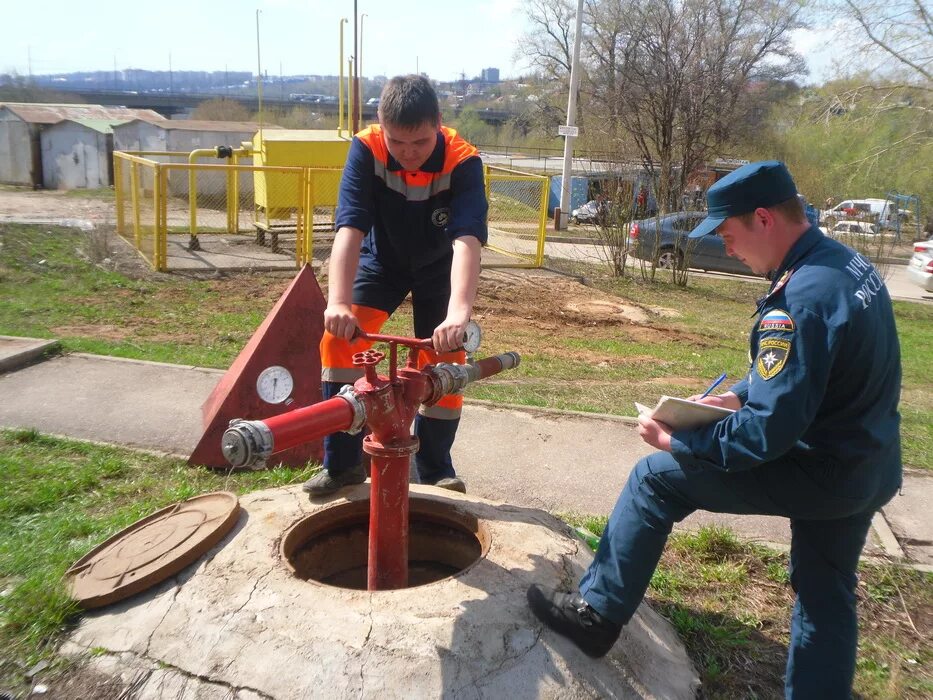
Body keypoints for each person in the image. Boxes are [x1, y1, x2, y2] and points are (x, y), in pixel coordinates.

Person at [527, 161, 902, 698]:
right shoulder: (843, 266)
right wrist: (738, 394)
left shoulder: (799, 299)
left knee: (654, 478)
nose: (727, 249)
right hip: (869, 466)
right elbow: (817, 371)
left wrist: (679, 440)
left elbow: (764, 435)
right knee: (826, 595)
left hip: (824, 470)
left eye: (728, 235)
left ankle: (596, 617)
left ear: (764, 219)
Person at [302, 75, 487, 496]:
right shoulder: (366, 148)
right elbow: (348, 228)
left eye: (420, 143)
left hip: (440, 268)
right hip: (381, 261)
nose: (408, 155)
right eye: (397, 143)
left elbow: (467, 241)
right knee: (337, 343)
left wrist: (459, 313)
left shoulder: (463, 160)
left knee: (446, 358)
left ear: (439, 123)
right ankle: (343, 464)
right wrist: (338, 302)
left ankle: (435, 468)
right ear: (379, 124)